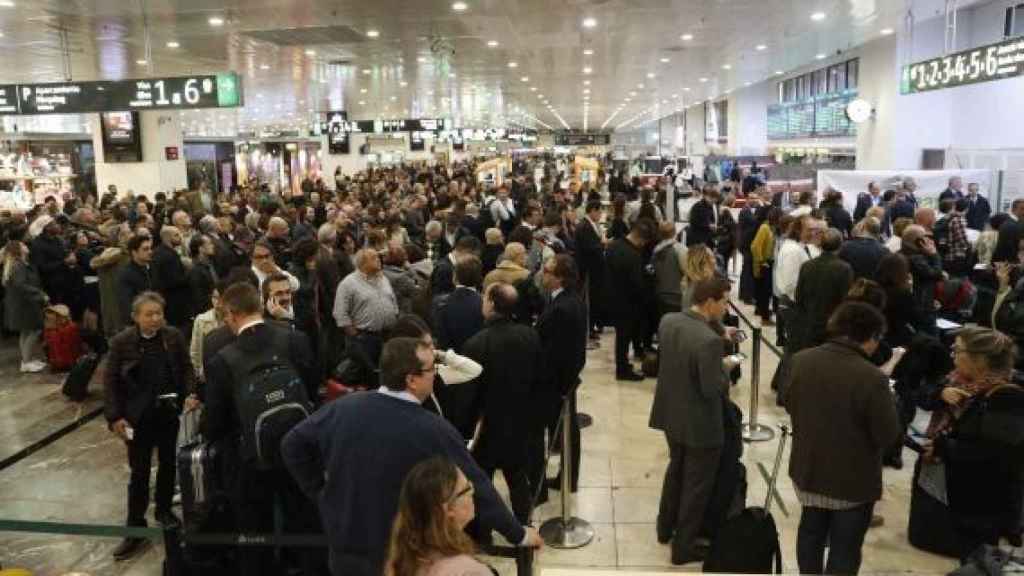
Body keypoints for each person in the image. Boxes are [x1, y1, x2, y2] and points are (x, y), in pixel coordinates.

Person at [281, 336, 541, 576]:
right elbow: (477, 485)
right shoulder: (433, 429)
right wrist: (517, 534)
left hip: (345, 550)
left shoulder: (344, 407)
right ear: (411, 379)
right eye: (430, 369)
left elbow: (292, 444)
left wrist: (322, 492)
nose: (434, 374)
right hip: (401, 556)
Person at [201, 281, 318, 576]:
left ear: (230, 313)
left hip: (247, 463)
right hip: (297, 451)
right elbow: (312, 389)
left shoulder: (221, 360)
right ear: (260, 305)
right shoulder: (295, 340)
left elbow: (213, 425)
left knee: (254, 535)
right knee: (305, 523)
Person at [786, 301, 901, 575]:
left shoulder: (800, 360)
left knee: (810, 533)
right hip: (851, 481)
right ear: (871, 337)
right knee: (845, 548)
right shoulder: (872, 378)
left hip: (808, 470)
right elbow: (888, 435)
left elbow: (789, 403)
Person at [649, 277, 739, 565]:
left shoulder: (669, 321)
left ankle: (665, 528)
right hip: (701, 422)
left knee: (676, 470)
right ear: (710, 302)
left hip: (671, 413)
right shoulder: (709, 342)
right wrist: (725, 367)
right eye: (724, 301)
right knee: (697, 485)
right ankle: (684, 547)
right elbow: (712, 388)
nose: (727, 307)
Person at [104, 292, 196, 560]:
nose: (155, 319)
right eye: (149, 314)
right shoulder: (122, 342)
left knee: (169, 464)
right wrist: (114, 417)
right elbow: (110, 383)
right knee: (139, 472)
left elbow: (187, 368)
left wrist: (189, 393)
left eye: (158, 313)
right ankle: (135, 527)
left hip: (167, 413)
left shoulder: (173, 336)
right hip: (137, 417)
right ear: (136, 317)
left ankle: (164, 510)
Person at [928, 327, 1024, 557]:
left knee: (976, 558)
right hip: (968, 495)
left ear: (980, 359)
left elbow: (994, 453)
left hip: (985, 503)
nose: (952, 355)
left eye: (957, 350)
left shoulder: (1007, 397)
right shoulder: (976, 386)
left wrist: (944, 447)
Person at [462, 283, 541, 526]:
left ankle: (483, 531)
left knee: (483, 482)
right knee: (517, 479)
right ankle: (524, 526)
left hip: (488, 426)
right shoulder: (530, 335)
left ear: (493, 304)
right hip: (520, 422)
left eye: (485, 298)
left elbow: (470, 395)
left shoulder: (475, 344)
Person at [384, 456, 497, 576]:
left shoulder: (402, 563)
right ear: (448, 509)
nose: (473, 492)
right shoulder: (469, 571)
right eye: (467, 488)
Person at [534, 254, 588, 501]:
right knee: (567, 429)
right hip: (562, 380)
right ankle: (568, 475)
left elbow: (559, 352)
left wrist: (557, 384)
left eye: (547, 271)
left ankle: (568, 477)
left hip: (557, 382)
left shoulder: (563, 308)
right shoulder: (564, 300)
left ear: (560, 278)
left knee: (565, 430)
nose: (543, 274)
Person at [788, 228, 853, 355]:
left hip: (808, 323)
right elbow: (845, 300)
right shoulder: (844, 269)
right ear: (840, 245)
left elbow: (798, 296)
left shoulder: (807, 265)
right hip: (831, 326)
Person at [606, 217, 656, 380]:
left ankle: (623, 365)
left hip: (613, 297)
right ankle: (622, 370)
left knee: (621, 336)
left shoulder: (614, 246)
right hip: (628, 303)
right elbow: (637, 284)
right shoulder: (633, 255)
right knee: (624, 337)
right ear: (641, 238)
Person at [2, 240, 48, 372]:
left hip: (23, 303)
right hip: (25, 304)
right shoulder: (19, 265)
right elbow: (21, 285)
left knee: (26, 332)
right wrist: (40, 294)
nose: (26, 246)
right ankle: (26, 362)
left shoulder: (19, 264)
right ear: (18, 250)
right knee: (35, 330)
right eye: (23, 245)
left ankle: (27, 360)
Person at [433, 256, 484, 354]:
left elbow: (440, 336)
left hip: (450, 359)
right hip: (476, 359)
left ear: (454, 277)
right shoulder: (483, 303)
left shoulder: (440, 303)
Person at [876, 253, 927, 348]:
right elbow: (918, 319)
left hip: (876, 337)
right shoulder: (903, 294)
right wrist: (911, 291)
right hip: (897, 340)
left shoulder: (874, 289)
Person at [899, 225, 943, 335]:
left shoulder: (901, 253)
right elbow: (935, 274)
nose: (928, 240)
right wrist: (934, 255)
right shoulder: (916, 258)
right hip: (923, 307)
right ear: (919, 241)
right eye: (925, 237)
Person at [152, 225, 193, 332]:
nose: (180, 237)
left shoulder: (160, 252)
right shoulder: (168, 256)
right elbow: (175, 280)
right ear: (168, 238)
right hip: (175, 303)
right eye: (176, 235)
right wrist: (190, 274)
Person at [576, 200, 606, 340]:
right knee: (588, 299)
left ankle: (592, 326)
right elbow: (590, 248)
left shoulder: (590, 224)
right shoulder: (584, 226)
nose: (600, 215)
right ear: (593, 210)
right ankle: (588, 329)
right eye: (599, 211)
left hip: (593, 269)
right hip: (588, 270)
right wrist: (603, 244)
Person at [117, 234, 154, 330]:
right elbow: (127, 304)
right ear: (134, 252)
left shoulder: (151, 267)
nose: (150, 252)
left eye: (150, 248)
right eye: (145, 249)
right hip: (138, 325)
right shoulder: (126, 274)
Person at [653, 221, 688, 321]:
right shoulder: (680, 249)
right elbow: (689, 272)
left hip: (660, 295)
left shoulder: (656, 251)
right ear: (675, 232)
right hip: (677, 297)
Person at [751, 207, 780, 325]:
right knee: (765, 292)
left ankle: (761, 311)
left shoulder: (772, 228)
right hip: (764, 263)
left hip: (767, 262)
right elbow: (755, 246)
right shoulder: (765, 228)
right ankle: (765, 318)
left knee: (763, 290)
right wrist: (761, 261)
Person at [187, 233, 218, 318]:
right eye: (209, 243)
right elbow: (198, 298)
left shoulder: (209, 264)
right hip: (205, 314)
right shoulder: (195, 271)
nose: (213, 245)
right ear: (201, 249)